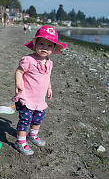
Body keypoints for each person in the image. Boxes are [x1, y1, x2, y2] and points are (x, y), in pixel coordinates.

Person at [12, 26, 67, 155]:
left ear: (54, 48)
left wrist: (49, 87)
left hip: (39, 99)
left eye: (49, 45)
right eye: (41, 43)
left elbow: (47, 77)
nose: (44, 48)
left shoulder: (49, 62)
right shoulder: (29, 60)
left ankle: (33, 135)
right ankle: (20, 142)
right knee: (25, 120)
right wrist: (18, 84)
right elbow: (19, 72)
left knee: (38, 119)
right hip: (27, 98)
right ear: (35, 44)